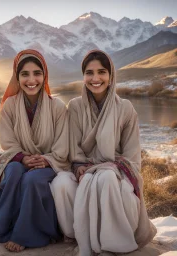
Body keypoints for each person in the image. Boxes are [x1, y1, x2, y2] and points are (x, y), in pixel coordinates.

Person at [56, 49, 157, 256]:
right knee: (61, 183)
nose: (95, 78)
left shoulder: (126, 108)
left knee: (106, 178)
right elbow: (73, 148)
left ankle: (112, 244)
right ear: (83, 76)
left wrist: (105, 167)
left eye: (101, 72)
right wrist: (80, 167)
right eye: (89, 73)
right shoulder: (74, 106)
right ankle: (79, 234)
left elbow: (131, 157)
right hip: (82, 168)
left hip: (117, 172)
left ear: (111, 76)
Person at [0, 49, 70, 252]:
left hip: (49, 162)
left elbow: (62, 146)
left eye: (37, 73)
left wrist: (44, 160)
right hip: (15, 159)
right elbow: (7, 142)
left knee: (32, 180)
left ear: (45, 76)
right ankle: (0, 227)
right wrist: (23, 158)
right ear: (17, 77)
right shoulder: (9, 105)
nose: (31, 79)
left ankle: (27, 234)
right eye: (25, 74)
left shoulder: (58, 107)